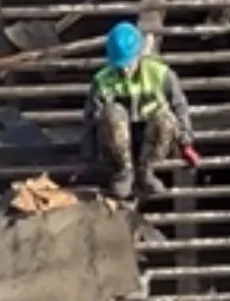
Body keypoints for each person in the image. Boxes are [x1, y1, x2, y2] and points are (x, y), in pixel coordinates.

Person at [82, 22, 201, 200]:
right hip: (117, 140)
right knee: (111, 113)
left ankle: (146, 170)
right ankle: (124, 172)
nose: (124, 69)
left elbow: (179, 108)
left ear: (139, 55)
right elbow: (91, 117)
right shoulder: (102, 80)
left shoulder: (161, 75)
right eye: (119, 65)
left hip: (150, 135)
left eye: (128, 63)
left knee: (165, 118)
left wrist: (186, 143)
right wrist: (88, 154)